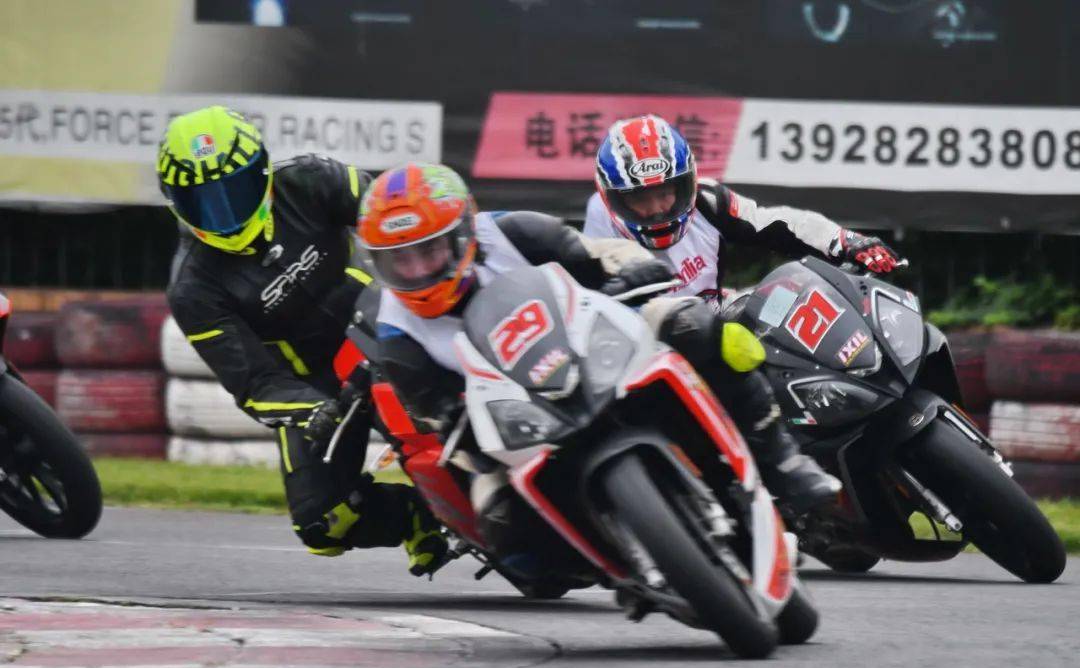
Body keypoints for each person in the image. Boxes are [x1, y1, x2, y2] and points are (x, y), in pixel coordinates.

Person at [355, 162, 840, 564]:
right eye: (400, 261)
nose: (417, 271)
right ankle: (602, 560)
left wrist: (632, 272)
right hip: (512, 413)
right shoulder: (396, 333)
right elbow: (437, 411)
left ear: (463, 234)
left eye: (428, 251)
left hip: (589, 340)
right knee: (504, 528)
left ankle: (783, 461)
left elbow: (598, 255)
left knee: (705, 330)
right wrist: (463, 429)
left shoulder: (510, 232)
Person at [158, 105, 447, 574]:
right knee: (322, 524)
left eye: (234, 191)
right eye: (204, 202)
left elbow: (393, 217)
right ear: (176, 204)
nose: (225, 215)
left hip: (388, 322)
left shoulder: (312, 179)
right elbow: (254, 383)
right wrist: (313, 410)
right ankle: (416, 516)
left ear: (263, 173)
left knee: (439, 419)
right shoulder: (193, 289)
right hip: (317, 385)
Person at [584, 114, 904, 312]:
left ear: (686, 184)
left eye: (665, 194)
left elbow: (776, 222)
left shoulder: (708, 200)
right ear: (613, 200)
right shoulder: (599, 226)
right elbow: (592, 304)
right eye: (641, 199)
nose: (657, 210)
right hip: (644, 349)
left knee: (789, 306)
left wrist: (844, 240)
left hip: (714, 323)